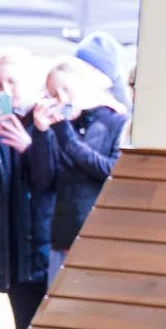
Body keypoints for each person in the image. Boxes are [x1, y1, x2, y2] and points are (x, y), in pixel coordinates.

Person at [25, 56, 126, 291]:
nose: (61, 99)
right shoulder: (59, 126)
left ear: (84, 84)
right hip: (62, 239)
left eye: (65, 89)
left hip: (100, 241)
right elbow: (43, 181)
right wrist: (41, 132)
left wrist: (65, 135)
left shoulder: (115, 122)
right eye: (52, 94)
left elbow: (110, 171)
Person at [0, 48, 54, 329]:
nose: (5, 91)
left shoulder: (48, 120)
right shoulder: (1, 125)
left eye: (12, 82)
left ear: (32, 81)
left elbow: (50, 182)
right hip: (13, 252)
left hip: (44, 248)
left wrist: (30, 148)